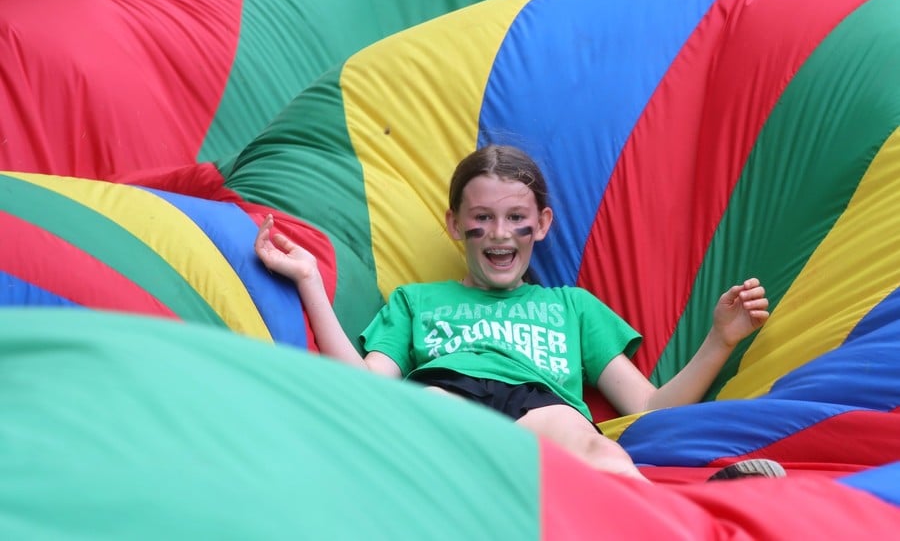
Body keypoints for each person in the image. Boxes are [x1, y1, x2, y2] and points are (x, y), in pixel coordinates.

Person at [254, 144, 783, 482]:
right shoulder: (417, 301)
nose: (501, 233)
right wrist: (308, 283)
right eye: (482, 217)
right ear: (455, 225)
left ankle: (683, 522)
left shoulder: (570, 306)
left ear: (543, 224)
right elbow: (368, 386)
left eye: (516, 218)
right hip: (448, 397)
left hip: (542, 409)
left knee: (591, 446)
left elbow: (649, 405)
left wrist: (720, 340)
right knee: (441, 414)